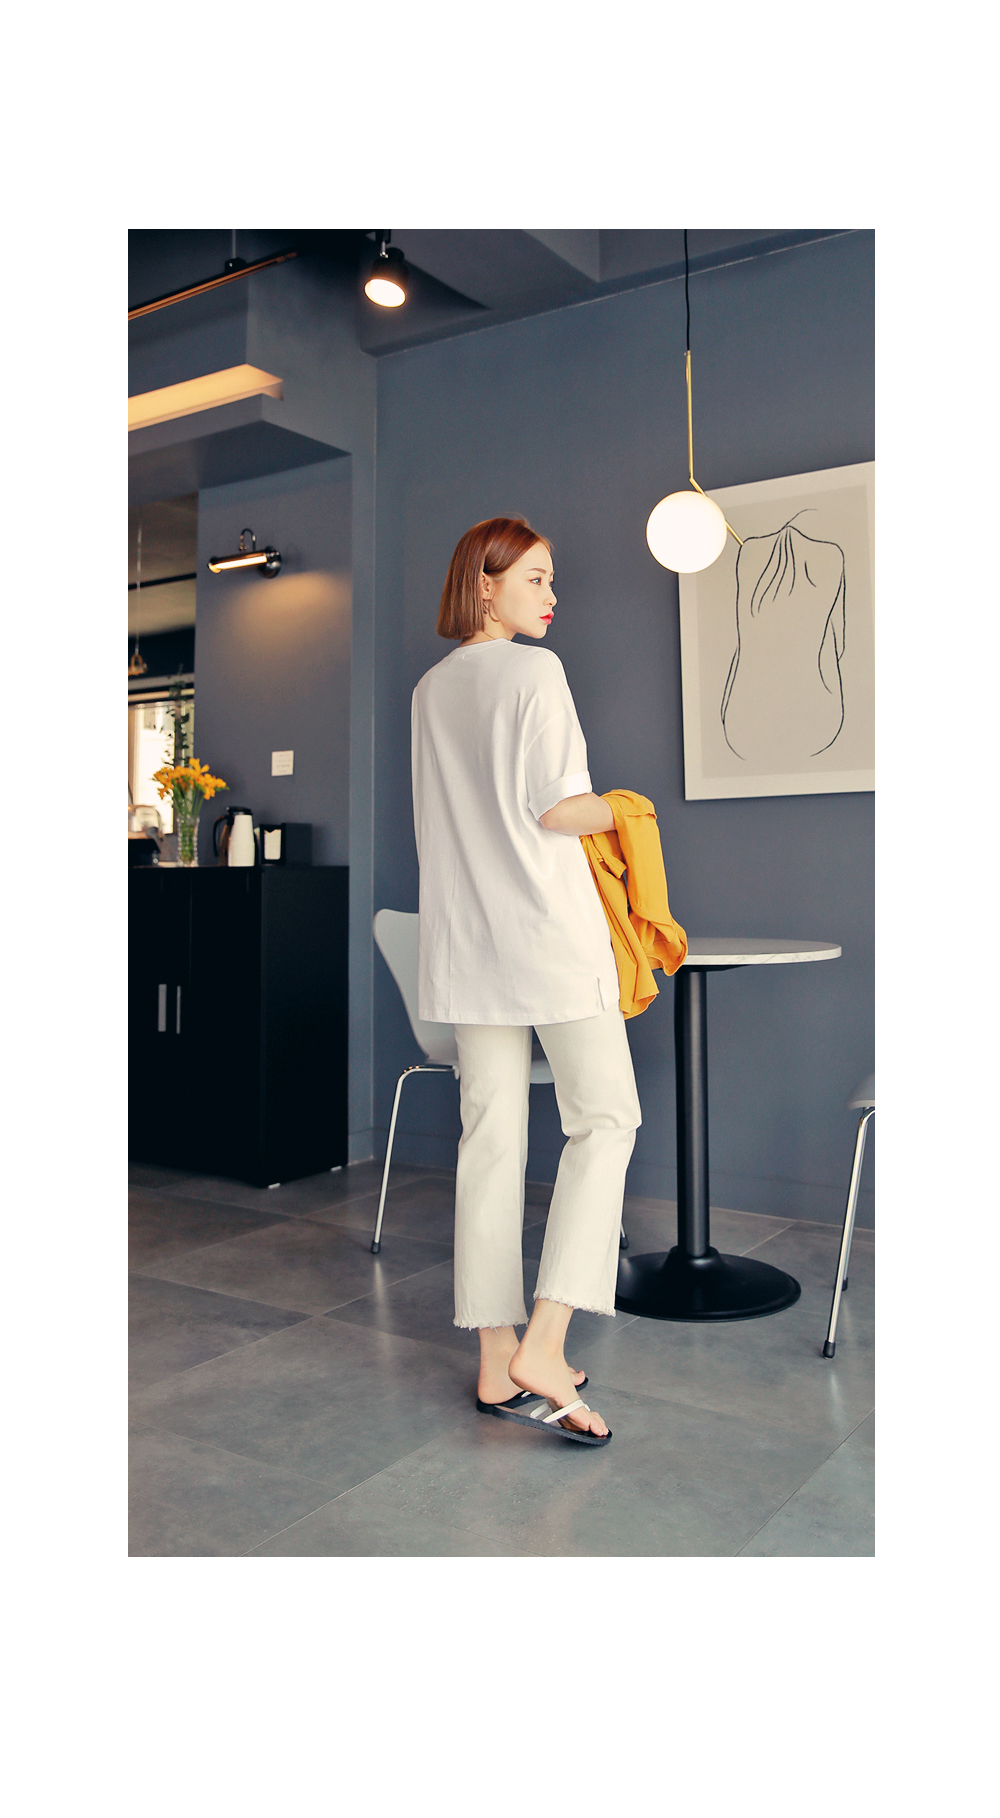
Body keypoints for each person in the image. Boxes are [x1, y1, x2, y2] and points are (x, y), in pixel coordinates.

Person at [410, 517, 642, 1445]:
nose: (552, 595)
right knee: (606, 1119)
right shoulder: (534, 672)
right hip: (546, 938)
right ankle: (545, 1342)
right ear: (486, 583)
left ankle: (493, 1358)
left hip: (467, 945)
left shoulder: (430, 690)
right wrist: (626, 810)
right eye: (537, 578)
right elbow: (557, 809)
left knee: (491, 1142)